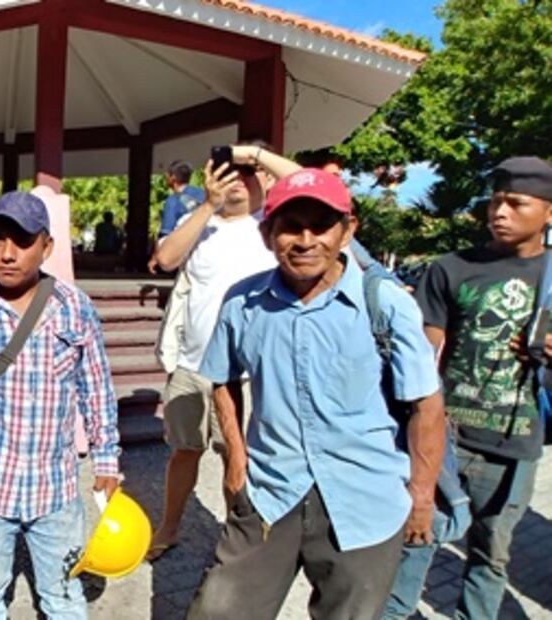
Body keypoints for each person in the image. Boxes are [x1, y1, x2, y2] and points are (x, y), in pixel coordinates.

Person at [187, 168, 446, 619]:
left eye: (321, 225)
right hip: (271, 491)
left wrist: (422, 496)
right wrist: (235, 460)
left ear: (347, 231)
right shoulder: (242, 303)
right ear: (267, 234)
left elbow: (427, 405)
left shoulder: (385, 303)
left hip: (364, 498)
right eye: (290, 226)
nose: (306, 240)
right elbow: (222, 381)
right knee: (218, 611)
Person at [0, 191, 120, 620]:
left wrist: (106, 460)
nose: (7, 254)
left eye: (22, 241)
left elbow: (97, 389)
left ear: (46, 246)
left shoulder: (75, 309)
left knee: (64, 597)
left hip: (55, 492)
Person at [398, 156, 552, 619]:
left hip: (514, 443)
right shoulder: (451, 268)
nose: (499, 212)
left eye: (516, 204)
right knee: (415, 541)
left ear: (548, 212)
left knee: (491, 556)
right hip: (444, 438)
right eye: (495, 202)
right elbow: (421, 362)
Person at [145, 143, 288, 561]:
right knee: (184, 451)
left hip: (247, 375)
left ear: (262, 177)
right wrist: (208, 204)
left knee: (238, 459)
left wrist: (255, 154)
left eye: (246, 174)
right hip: (192, 364)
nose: (237, 182)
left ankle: (237, 538)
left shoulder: (273, 225)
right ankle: (169, 528)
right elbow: (166, 258)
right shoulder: (201, 222)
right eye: (228, 172)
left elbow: (305, 180)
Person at [147, 161, 207, 273]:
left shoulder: (173, 201)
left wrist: (155, 257)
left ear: (172, 177)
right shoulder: (204, 195)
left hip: (189, 256)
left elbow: (165, 234)